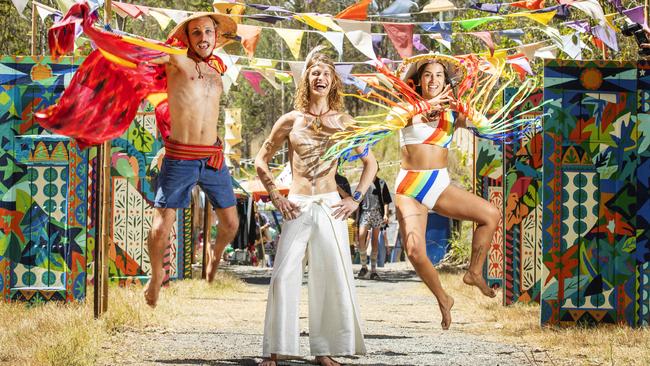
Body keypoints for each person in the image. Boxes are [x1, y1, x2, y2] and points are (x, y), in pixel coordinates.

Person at [254, 50, 377, 366]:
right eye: (314, 73)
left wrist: (355, 199)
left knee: (331, 276)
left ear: (333, 81)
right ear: (306, 80)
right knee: (283, 276)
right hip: (296, 204)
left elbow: (370, 163)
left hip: (331, 206)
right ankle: (275, 350)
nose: (319, 77)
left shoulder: (345, 121)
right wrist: (276, 196)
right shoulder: (291, 120)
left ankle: (324, 351)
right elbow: (261, 160)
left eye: (325, 73)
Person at [393, 54, 502, 329]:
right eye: (427, 74)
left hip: (439, 184)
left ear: (446, 81)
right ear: (418, 81)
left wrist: (467, 109)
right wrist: (425, 105)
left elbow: (486, 127)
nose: (433, 79)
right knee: (416, 251)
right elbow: (389, 119)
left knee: (491, 214)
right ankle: (443, 298)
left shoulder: (453, 113)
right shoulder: (407, 108)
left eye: (439, 75)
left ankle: (474, 272)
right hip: (409, 186)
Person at [142, 13, 241, 307]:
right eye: (195, 33)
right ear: (186, 39)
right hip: (180, 156)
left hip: (212, 156)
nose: (202, 37)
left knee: (232, 224)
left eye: (208, 32)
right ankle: (156, 274)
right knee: (161, 226)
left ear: (215, 35)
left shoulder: (217, 69)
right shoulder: (176, 61)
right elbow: (144, 54)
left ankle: (215, 255)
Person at [356, 168, 392, 280]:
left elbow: (386, 200)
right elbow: (357, 201)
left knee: (375, 240)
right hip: (365, 213)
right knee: (361, 236)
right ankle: (363, 266)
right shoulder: (363, 182)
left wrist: (386, 214)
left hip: (377, 213)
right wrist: (357, 218)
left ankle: (373, 270)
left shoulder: (381, 183)